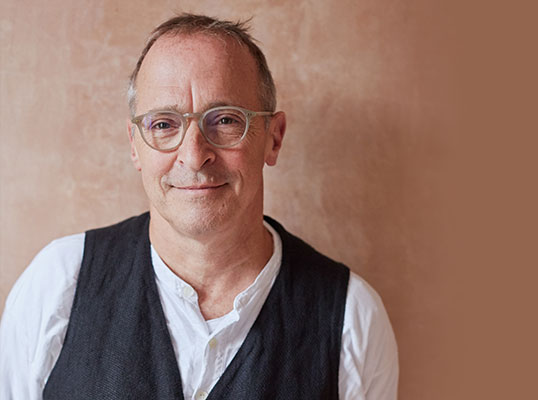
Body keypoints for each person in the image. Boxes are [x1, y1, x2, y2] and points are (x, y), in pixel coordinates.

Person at [0, 13, 398, 399]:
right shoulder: (57, 285)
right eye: (163, 124)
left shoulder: (352, 320)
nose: (193, 156)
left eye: (225, 120)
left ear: (273, 138)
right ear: (135, 145)